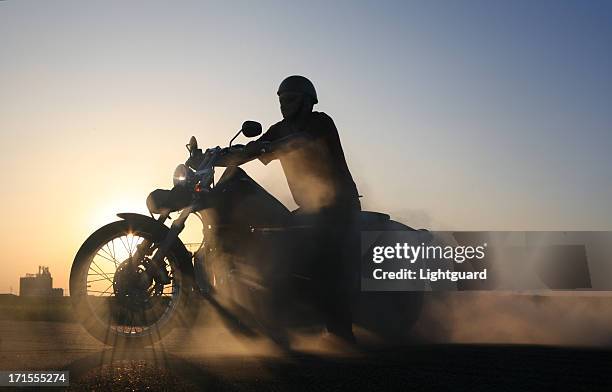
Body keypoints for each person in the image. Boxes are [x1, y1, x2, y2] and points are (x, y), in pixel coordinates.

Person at [222, 75, 361, 343]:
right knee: (277, 246)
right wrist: (221, 156)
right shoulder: (279, 128)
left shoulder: (320, 122)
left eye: (291, 99)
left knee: (328, 262)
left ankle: (341, 332)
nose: (285, 105)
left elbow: (301, 140)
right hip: (308, 208)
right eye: (281, 100)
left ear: (308, 101)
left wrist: (270, 146)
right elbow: (255, 149)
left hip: (338, 206)